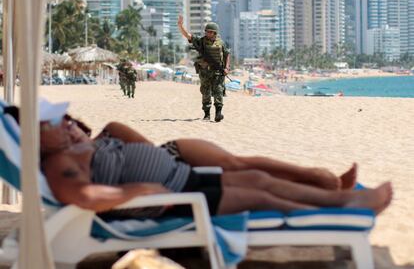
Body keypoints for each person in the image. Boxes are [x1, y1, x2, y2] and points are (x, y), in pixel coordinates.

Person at [33, 106, 392, 218]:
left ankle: (330, 187)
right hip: (175, 184)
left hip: (175, 163)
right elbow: (86, 194)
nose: (68, 124)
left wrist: (99, 146)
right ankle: (337, 195)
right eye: (57, 121)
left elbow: (151, 149)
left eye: (70, 120)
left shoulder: (102, 138)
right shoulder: (64, 163)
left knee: (246, 169)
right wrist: (142, 185)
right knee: (251, 178)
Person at [178, 15, 230, 122]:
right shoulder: (201, 41)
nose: (208, 33)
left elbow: (227, 55)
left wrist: (227, 68)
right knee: (205, 92)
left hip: (218, 72)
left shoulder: (221, 43)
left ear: (215, 33)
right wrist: (180, 26)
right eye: (207, 31)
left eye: (210, 32)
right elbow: (188, 36)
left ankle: (218, 114)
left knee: (219, 91)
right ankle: (206, 115)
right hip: (205, 71)